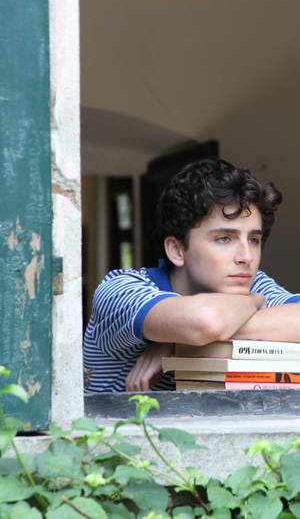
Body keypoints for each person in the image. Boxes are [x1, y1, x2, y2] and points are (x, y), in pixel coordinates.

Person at [83, 157, 300, 394]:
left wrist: (175, 346)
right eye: (224, 238)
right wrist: (254, 301)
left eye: (253, 239)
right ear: (177, 250)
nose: (246, 257)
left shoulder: (248, 281)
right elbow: (206, 322)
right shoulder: (120, 289)